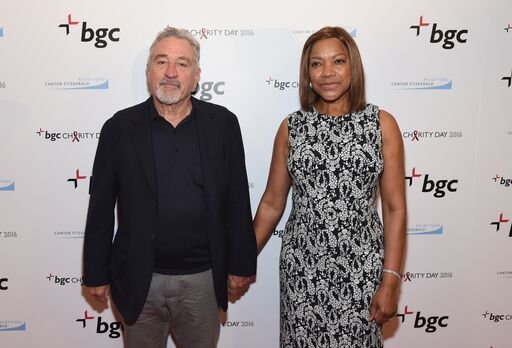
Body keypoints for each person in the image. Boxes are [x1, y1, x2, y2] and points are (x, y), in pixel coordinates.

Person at [82, 26, 257, 348]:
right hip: (137, 278)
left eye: (183, 63)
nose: (171, 73)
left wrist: (242, 264)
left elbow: (237, 199)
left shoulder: (223, 124)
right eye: (162, 62)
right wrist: (95, 272)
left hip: (203, 280)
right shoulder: (118, 128)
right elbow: (101, 206)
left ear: (196, 75)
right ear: (149, 71)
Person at [253, 26, 406, 347]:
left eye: (338, 61)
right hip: (302, 270)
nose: (327, 73)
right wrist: (240, 259)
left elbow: (394, 208)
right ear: (307, 73)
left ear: (353, 67)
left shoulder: (382, 125)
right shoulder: (292, 127)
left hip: (362, 269)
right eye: (316, 64)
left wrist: (390, 280)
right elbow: (271, 203)